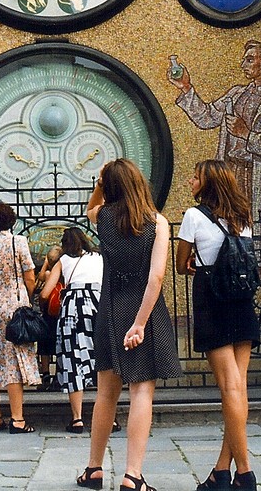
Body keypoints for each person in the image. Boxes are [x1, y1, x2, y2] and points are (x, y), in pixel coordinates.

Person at [77, 159, 181, 491]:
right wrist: (139, 324)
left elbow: (90, 208)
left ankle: (94, 469)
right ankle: (132, 475)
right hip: (143, 310)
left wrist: (99, 183)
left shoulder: (103, 218)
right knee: (141, 392)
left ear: (110, 188)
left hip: (109, 308)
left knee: (106, 392)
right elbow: (157, 277)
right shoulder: (158, 223)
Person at [176, 160, 260, 491]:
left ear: (207, 183)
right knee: (238, 387)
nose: (190, 180)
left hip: (213, 298)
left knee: (230, 389)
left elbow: (182, 264)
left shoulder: (194, 216)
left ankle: (245, 473)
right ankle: (220, 472)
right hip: (242, 302)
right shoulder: (243, 217)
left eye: (195, 176)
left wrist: (193, 264)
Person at [167, 41, 261, 229]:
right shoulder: (236, 94)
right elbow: (207, 118)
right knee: (229, 233)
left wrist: (247, 134)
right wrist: (185, 88)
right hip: (231, 176)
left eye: (249, 60)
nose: (243, 65)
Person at [0, 202, 41, 432]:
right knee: (14, 360)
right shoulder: (18, 242)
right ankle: (17, 419)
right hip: (15, 304)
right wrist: (26, 297)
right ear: (11, 220)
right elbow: (30, 277)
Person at [42, 227, 103, 432]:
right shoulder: (99, 257)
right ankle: (108, 418)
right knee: (103, 360)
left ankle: (77, 419)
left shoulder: (64, 260)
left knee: (72, 359)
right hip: (98, 305)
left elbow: (45, 293)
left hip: (72, 309)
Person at [35, 245, 62, 389]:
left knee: (44, 345)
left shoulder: (47, 274)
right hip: (60, 314)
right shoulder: (64, 272)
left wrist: (45, 263)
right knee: (59, 343)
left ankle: (45, 374)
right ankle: (59, 374)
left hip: (47, 314)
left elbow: (40, 280)